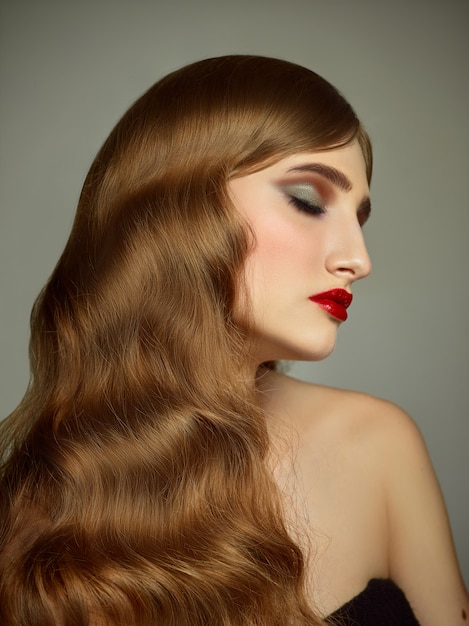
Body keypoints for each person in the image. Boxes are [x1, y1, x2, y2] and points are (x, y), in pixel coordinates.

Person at [0, 55, 467, 626]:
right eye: (309, 200)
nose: (358, 259)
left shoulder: (376, 443)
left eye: (359, 218)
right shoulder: (35, 508)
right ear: (178, 209)